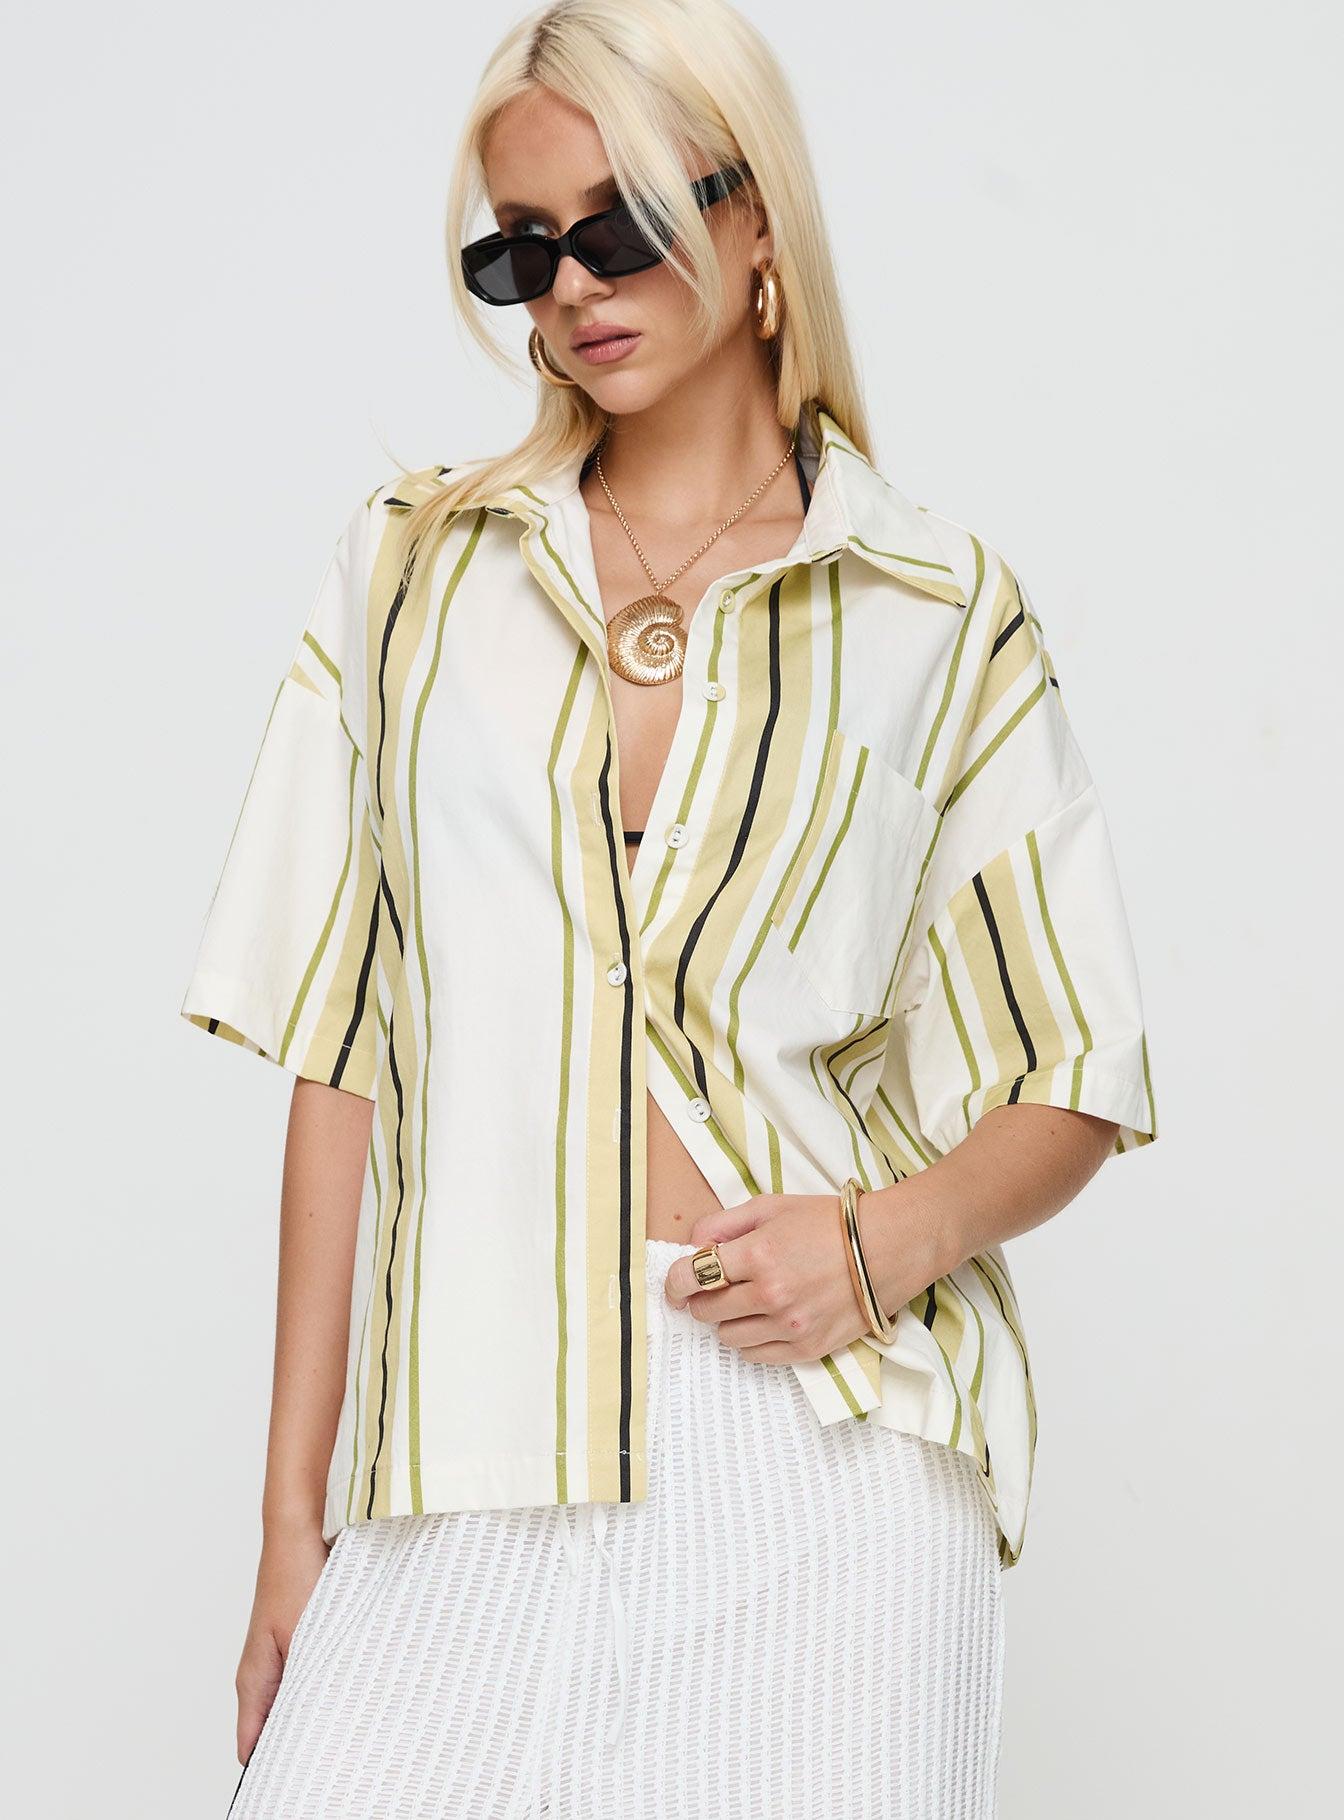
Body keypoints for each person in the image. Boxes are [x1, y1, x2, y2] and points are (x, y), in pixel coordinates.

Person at [179, 1, 1159, 1814]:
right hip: (467, 1430)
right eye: (519, 248)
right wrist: (287, 1527)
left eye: (620, 225)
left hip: (827, 1458)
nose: (571, 288)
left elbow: (1073, 1068)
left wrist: (880, 1244)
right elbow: (339, 1053)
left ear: (756, 215)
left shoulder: (940, 612)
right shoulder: (412, 570)